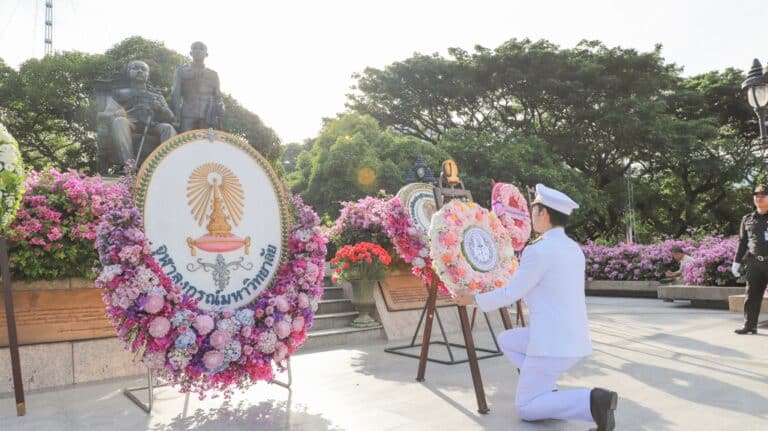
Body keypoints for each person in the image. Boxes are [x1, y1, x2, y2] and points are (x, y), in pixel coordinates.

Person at [456, 184, 618, 431]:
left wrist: (473, 299)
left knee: (526, 408)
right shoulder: (573, 249)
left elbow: (512, 293)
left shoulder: (538, 250)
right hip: (571, 339)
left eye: (534, 211)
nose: (531, 217)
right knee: (507, 339)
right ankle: (545, 388)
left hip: (550, 344)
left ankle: (592, 401)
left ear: (544, 214)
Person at [98, 60, 176, 165]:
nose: (140, 71)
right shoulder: (119, 93)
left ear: (148, 75)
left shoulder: (157, 96)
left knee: (168, 128)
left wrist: (160, 108)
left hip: (152, 125)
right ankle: (129, 165)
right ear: (128, 72)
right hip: (130, 123)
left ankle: (166, 164)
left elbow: (171, 117)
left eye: (143, 69)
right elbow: (106, 114)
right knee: (120, 121)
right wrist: (116, 114)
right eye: (135, 68)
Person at [731, 184, 768, 335]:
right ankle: (750, 326)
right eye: (756, 196)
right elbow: (742, 242)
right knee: (752, 296)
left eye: (763, 195)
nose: (759, 198)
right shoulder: (747, 219)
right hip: (754, 262)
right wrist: (736, 261)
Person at [170, 41, 225, 132]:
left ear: (206, 54)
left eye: (201, 48)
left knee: (206, 141)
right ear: (191, 53)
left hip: (208, 117)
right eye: (195, 48)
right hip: (187, 115)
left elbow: (218, 97)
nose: (198, 50)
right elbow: (175, 95)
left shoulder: (213, 74)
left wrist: (220, 110)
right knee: (184, 140)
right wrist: (176, 115)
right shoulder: (181, 71)